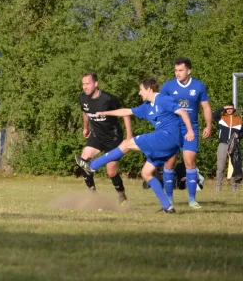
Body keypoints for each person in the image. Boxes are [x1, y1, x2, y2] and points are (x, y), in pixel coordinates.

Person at [76, 78, 195, 213]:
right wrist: (105, 113)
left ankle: (92, 166)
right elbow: (126, 112)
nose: (139, 93)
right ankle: (167, 206)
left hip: (167, 137)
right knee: (146, 173)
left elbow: (182, 112)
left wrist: (190, 131)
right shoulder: (147, 106)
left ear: (149, 90)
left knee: (127, 144)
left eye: (141, 90)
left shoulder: (162, 99)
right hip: (168, 144)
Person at [160, 57, 211, 209]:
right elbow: (160, 105)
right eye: (175, 70)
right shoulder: (168, 86)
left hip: (191, 129)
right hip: (172, 129)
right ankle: (168, 200)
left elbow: (206, 107)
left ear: (189, 70)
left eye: (180, 70)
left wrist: (208, 126)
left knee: (189, 161)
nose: (177, 73)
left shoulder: (199, 86)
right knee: (169, 162)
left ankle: (192, 200)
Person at [78, 72, 132, 204]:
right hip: (97, 136)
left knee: (111, 172)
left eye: (88, 84)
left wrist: (129, 136)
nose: (85, 87)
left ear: (96, 84)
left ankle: (121, 194)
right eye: (83, 84)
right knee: (83, 161)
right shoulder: (82, 98)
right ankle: (93, 193)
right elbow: (85, 112)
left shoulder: (108, 99)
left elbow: (125, 114)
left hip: (113, 139)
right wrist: (85, 128)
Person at [212, 103, 243, 191]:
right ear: (225, 109)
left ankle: (234, 187)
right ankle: (218, 187)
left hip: (234, 145)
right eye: (227, 108)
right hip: (223, 144)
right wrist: (222, 108)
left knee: (235, 166)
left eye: (231, 108)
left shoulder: (239, 120)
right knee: (220, 166)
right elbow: (214, 115)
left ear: (234, 109)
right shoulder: (221, 118)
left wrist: (239, 135)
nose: (229, 110)